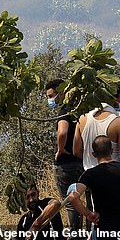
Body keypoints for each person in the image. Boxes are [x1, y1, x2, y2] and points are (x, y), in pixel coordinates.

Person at [67, 135, 120, 233]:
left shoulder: (90, 174)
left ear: (94, 154)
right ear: (111, 151)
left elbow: (73, 197)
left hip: (102, 228)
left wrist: (88, 214)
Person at [45, 78, 83, 230]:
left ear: (60, 93)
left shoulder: (64, 111)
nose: (50, 100)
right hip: (81, 161)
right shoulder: (78, 109)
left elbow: (62, 132)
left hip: (66, 164)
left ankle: (75, 235)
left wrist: (60, 149)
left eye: (51, 96)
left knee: (70, 203)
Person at [74, 85, 120, 170]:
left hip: (89, 176)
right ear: (116, 98)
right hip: (113, 175)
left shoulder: (82, 120)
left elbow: (77, 152)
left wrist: (90, 160)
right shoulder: (119, 124)